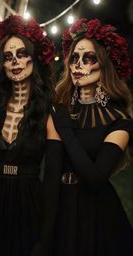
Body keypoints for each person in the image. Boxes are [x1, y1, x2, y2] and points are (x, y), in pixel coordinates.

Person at [49, 18, 133, 255]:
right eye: (74, 58)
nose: (78, 64)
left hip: (97, 215)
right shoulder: (59, 107)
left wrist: (65, 128)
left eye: (89, 58)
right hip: (60, 206)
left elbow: (95, 178)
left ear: (104, 65)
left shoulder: (120, 120)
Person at [0, 15, 63, 256]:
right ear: (1, 64)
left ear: (35, 58)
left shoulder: (49, 109)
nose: (15, 61)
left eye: (21, 54)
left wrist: (47, 237)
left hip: (30, 202)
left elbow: (52, 179)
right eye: (8, 57)